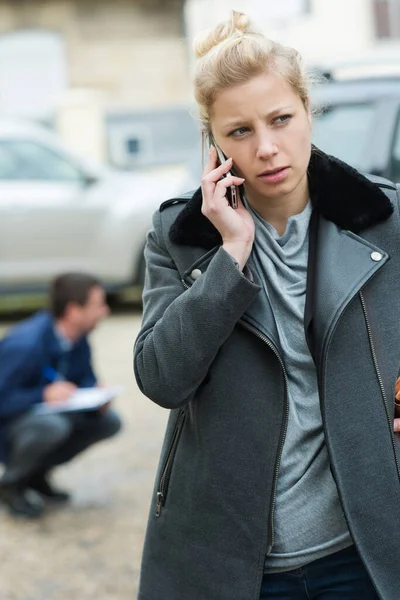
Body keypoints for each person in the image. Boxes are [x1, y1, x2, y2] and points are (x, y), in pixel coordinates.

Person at [133, 11, 400, 600]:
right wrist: (230, 254)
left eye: (281, 119)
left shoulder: (384, 222)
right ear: (213, 142)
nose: (268, 148)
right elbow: (161, 379)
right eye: (240, 131)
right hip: (234, 564)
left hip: (366, 549)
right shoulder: (180, 240)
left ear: (309, 109)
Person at [0, 272, 121, 518]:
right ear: (74, 311)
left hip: (44, 419)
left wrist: (95, 393)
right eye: (99, 305)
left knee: (109, 422)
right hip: (10, 428)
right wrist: (42, 395)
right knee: (52, 427)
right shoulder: (26, 344)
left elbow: (83, 378)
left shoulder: (78, 338)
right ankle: (11, 483)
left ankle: (35, 474)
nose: (105, 311)